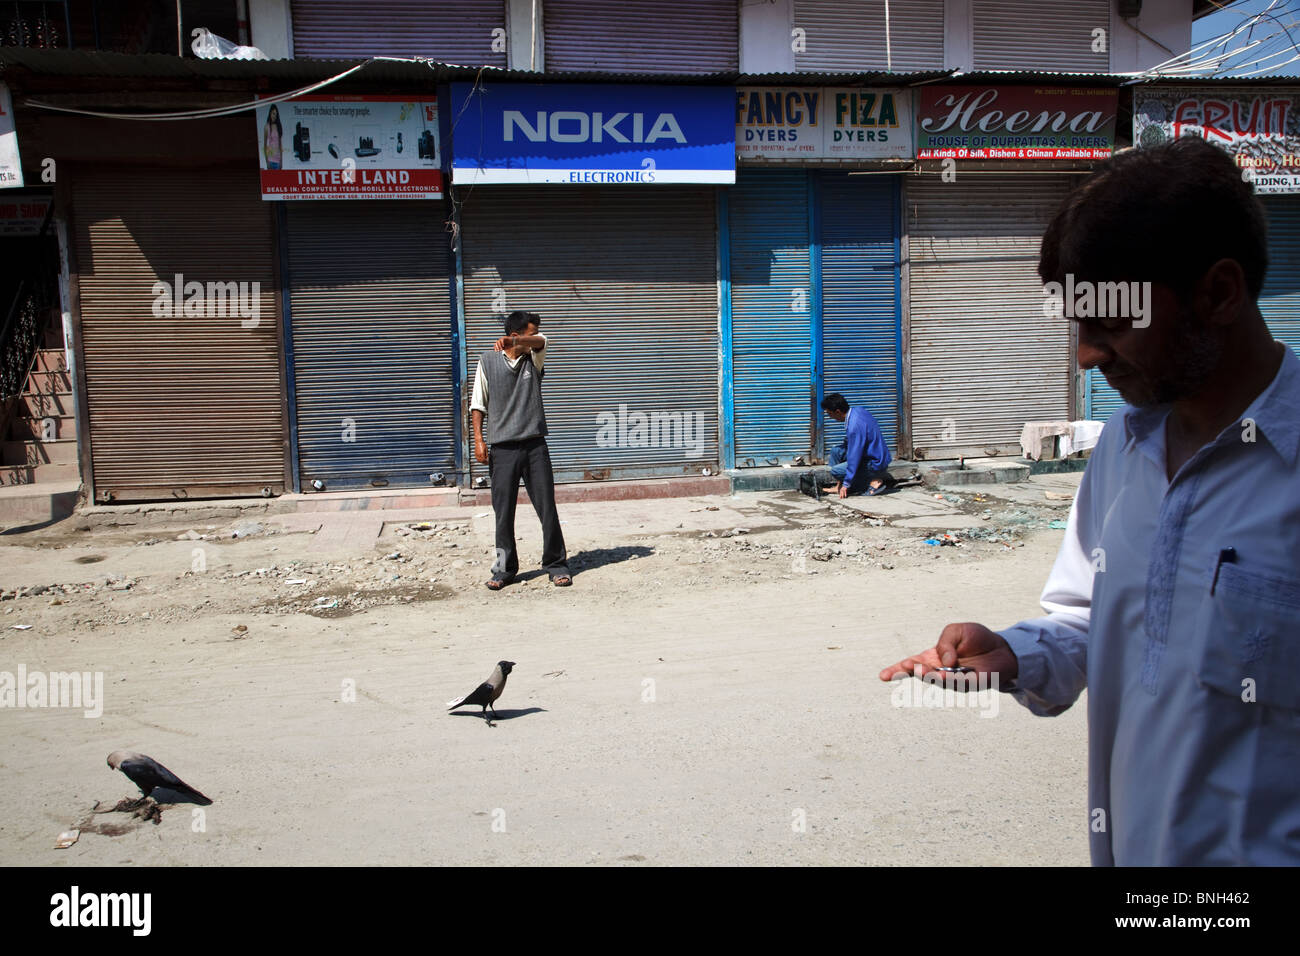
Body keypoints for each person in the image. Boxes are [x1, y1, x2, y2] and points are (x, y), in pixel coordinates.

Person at [879, 135, 1300, 865]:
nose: (1084, 354)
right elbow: (1091, 624)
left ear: (1220, 293)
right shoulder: (1123, 453)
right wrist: (1017, 652)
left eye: (1109, 324)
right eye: (1076, 324)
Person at [470, 310, 572, 590]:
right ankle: (504, 570)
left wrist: (516, 342)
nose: (536, 335)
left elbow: (542, 341)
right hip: (502, 449)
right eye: (530, 331)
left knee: (547, 508)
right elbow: (477, 403)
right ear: (516, 334)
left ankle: (556, 564)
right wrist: (479, 440)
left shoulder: (533, 359)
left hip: (534, 445)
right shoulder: (487, 362)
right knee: (503, 513)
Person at [819, 393, 892, 497]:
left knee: (836, 471)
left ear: (838, 412)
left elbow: (854, 457)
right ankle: (838, 486)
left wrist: (846, 483)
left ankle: (872, 481)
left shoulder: (854, 426)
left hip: (874, 462)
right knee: (836, 451)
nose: (830, 417)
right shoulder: (857, 410)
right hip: (871, 454)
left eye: (830, 414)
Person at [263, 105, 283, 170]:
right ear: (270, 113)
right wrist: (267, 161)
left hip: (278, 160)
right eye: (273, 113)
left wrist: (281, 161)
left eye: (276, 114)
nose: (274, 116)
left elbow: (280, 145)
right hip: (270, 160)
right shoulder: (266, 126)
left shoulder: (278, 126)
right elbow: (265, 145)